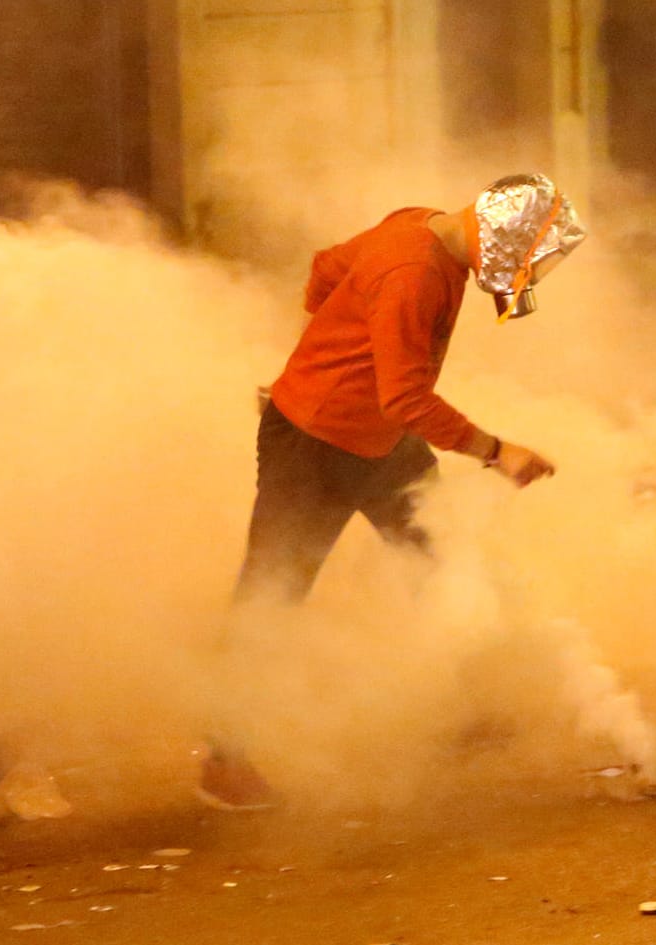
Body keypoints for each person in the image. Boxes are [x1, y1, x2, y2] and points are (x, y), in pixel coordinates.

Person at [196, 173, 587, 811]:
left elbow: (327, 270)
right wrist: (497, 452)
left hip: (382, 441)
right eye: (521, 266)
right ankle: (222, 761)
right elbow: (405, 395)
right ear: (495, 240)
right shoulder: (416, 272)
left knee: (440, 559)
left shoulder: (417, 222)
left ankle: (461, 710)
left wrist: (319, 350)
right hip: (315, 445)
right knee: (271, 594)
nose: (520, 280)